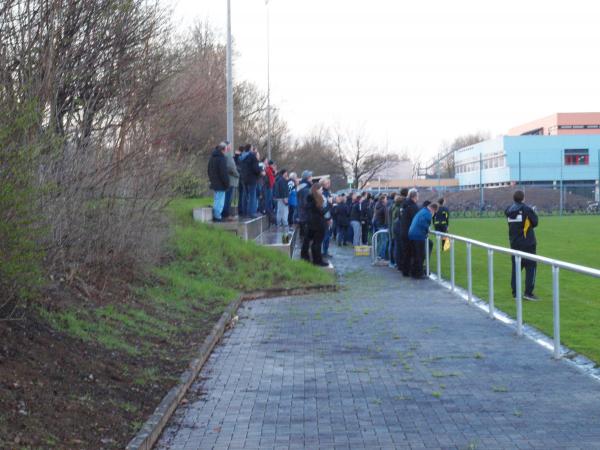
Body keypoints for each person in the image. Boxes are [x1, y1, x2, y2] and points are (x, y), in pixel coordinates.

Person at [505, 190, 539, 301]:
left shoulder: (509, 210)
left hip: (514, 243)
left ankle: (515, 293)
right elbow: (535, 222)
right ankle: (528, 293)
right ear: (523, 198)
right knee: (531, 267)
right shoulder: (526, 209)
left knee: (516, 268)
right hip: (528, 244)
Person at [409, 202, 438, 279]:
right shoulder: (427, 214)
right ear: (433, 210)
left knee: (415, 255)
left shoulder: (422, 211)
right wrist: (427, 229)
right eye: (434, 212)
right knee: (420, 255)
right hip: (418, 236)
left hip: (413, 234)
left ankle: (414, 272)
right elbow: (423, 224)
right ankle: (418, 274)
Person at [305, 182, 329, 266]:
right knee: (317, 243)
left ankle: (316, 259)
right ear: (317, 190)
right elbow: (321, 212)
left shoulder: (310, 198)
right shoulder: (315, 200)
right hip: (318, 224)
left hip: (314, 224)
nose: (322, 191)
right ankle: (317, 260)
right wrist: (329, 205)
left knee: (315, 243)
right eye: (321, 189)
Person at [207, 141, 230, 222]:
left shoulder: (212, 157)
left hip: (214, 182)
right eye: (226, 149)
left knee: (216, 199)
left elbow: (208, 170)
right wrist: (227, 183)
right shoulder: (222, 158)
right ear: (223, 150)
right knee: (220, 200)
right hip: (221, 183)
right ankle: (217, 216)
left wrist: (211, 179)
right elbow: (223, 173)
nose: (227, 150)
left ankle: (216, 214)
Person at [398, 189, 419, 276]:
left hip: (403, 230)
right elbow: (416, 221)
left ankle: (405, 271)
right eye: (417, 196)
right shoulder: (413, 207)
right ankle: (411, 271)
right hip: (410, 233)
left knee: (405, 252)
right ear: (414, 197)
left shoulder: (403, 205)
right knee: (412, 253)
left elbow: (399, 218)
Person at [240, 145, 263, 218]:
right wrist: (261, 171)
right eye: (253, 148)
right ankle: (251, 213)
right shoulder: (252, 156)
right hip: (252, 179)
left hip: (244, 178)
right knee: (252, 196)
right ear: (250, 149)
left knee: (245, 195)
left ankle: (244, 212)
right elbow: (255, 169)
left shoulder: (242, 157)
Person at [297, 170, 314, 260]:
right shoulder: (306, 189)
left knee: (305, 238)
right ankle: (305, 256)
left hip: (302, 216)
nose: (312, 178)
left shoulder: (302, 187)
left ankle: (305, 255)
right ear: (307, 178)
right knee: (307, 238)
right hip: (306, 216)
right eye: (311, 176)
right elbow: (306, 203)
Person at [222, 142, 239, 221]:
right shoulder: (228, 155)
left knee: (228, 197)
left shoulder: (227, 155)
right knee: (228, 197)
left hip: (229, 179)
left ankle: (226, 213)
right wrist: (237, 174)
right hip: (230, 179)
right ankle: (226, 213)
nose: (231, 147)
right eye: (230, 146)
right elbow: (231, 167)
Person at [390, 190, 407, 269]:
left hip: (394, 228)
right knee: (396, 246)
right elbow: (395, 219)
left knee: (395, 246)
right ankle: (396, 262)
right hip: (396, 229)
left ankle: (395, 262)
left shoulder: (393, 207)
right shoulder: (397, 209)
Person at [321, 178, 334, 257]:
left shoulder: (327, 192)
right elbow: (325, 205)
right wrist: (328, 218)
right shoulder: (324, 193)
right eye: (328, 183)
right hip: (326, 217)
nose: (329, 184)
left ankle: (326, 251)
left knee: (328, 236)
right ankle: (324, 251)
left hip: (328, 215)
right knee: (326, 235)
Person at [234, 146, 246, 217]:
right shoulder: (241, 158)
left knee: (241, 194)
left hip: (239, 177)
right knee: (242, 194)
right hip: (241, 177)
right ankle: (241, 210)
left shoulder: (235, 157)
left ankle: (240, 209)